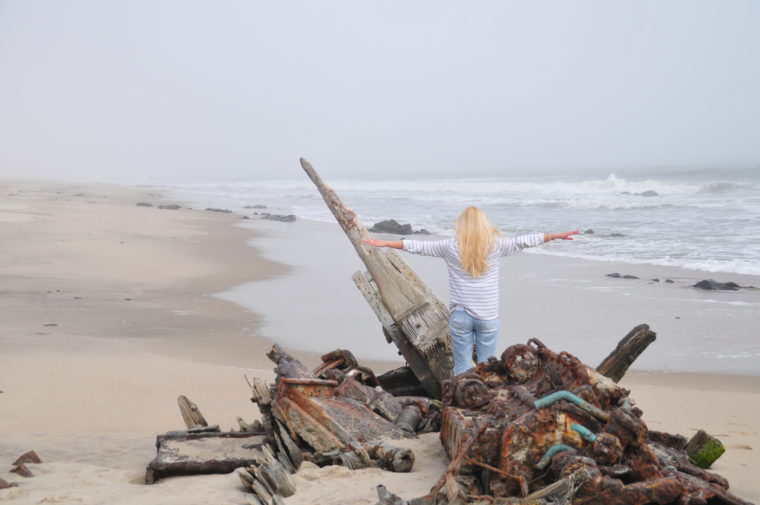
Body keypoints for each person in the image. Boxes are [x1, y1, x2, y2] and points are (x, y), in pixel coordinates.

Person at [363, 206, 578, 375]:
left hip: (461, 317)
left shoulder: (449, 246)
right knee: (487, 367)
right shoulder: (496, 246)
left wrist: (385, 243)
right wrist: (554, 236)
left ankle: (461, 400)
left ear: (461, 226)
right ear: (485, 225)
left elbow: (418, 246)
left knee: (462, 368)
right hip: (488, 317)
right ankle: (482, 403)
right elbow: (524, 241)